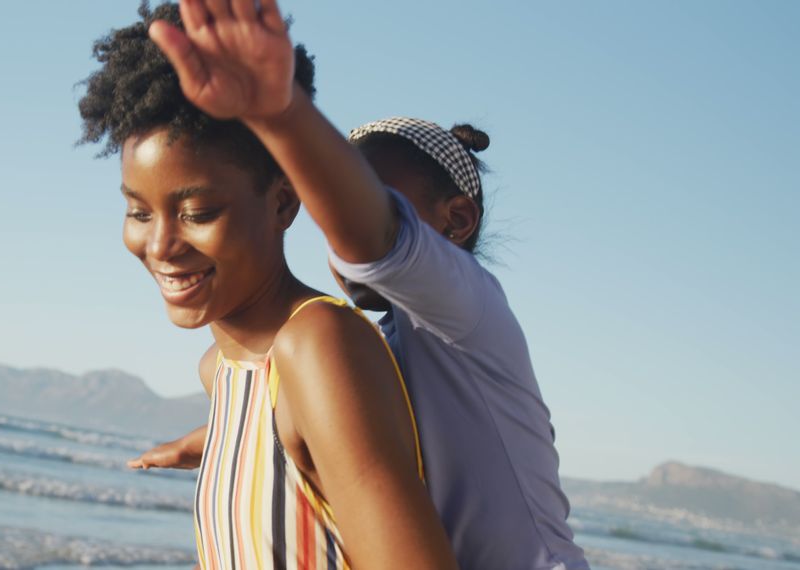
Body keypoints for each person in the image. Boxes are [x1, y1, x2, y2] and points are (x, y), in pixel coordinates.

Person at [129, 0, 589, 567]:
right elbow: (345, 419)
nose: (333, 223)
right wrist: (212, 436)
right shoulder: (386, 341)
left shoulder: (467, 309)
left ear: (457, 221)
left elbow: (373, 236)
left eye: (354, 197)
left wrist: (281, 115)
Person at [80, 2, 457, 568]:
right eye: (138, 213)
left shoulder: (320, 346)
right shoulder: (222, 369)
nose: (159, 246)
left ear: (283, 202)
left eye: (198, 212)